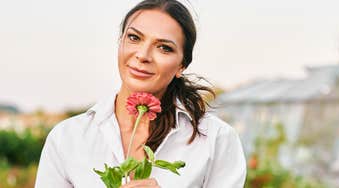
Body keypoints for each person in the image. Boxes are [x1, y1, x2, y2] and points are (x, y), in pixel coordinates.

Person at [35, 0, 246, 187]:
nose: (143, 56)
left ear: (182, 65)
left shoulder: (216, 140)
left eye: (164, 48)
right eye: (134, 38)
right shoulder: (67, 138)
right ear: (120, 42)